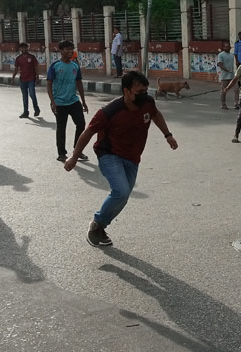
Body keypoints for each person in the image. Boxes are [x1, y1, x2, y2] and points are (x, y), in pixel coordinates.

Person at [64, 71, 178, 247]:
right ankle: (96, 225)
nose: (144, 95)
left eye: (145, 91)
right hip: (109, 154)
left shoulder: (148, 103)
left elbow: (155, 114)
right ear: (126, 91)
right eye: (139, 92)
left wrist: (168, 135)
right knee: (121, 191)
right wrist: (74, 156)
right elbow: (88, 132)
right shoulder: (109, 111)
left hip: (133, 157)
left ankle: (100, 227)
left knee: (123, 197)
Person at [47, 40, 89, 162]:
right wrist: (52, 101)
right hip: (59, 103)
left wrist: (83, 100)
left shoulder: (75, 66)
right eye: (67, 49)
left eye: (71, 49)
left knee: (81, 124)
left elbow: (79, 83)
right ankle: (61, 153)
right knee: (61, 128)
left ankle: (78, 150)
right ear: (61, 51)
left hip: (73, 101)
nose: (70, 51)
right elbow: (49, 85)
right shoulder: (55, 66)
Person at [13, 42, 41, 118]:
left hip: (31, 79)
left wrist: (38, 77)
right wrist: (13, 77)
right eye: (22, 48)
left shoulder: (32, 57)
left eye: (25, 47)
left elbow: (36, 68)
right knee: (24, 96)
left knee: (32, 94)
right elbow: (16, 68)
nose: (24, 49)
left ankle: (36, 109)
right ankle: (25, 112)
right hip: (23, 80)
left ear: (27, 48)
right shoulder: (18, 58)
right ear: (20, 49)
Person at [216, 41, 238, 110]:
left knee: (237, 89)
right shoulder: (221, 55)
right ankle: (223, 104)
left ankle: (236, 104)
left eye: (228, 46)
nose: (227, 48)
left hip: (232, 76)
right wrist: (226, 70)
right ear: (223, 47)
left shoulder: (232, 55)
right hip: (224, 76)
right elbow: (219, 64)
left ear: (230, 47)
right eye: (226, 46)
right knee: (224, 90)